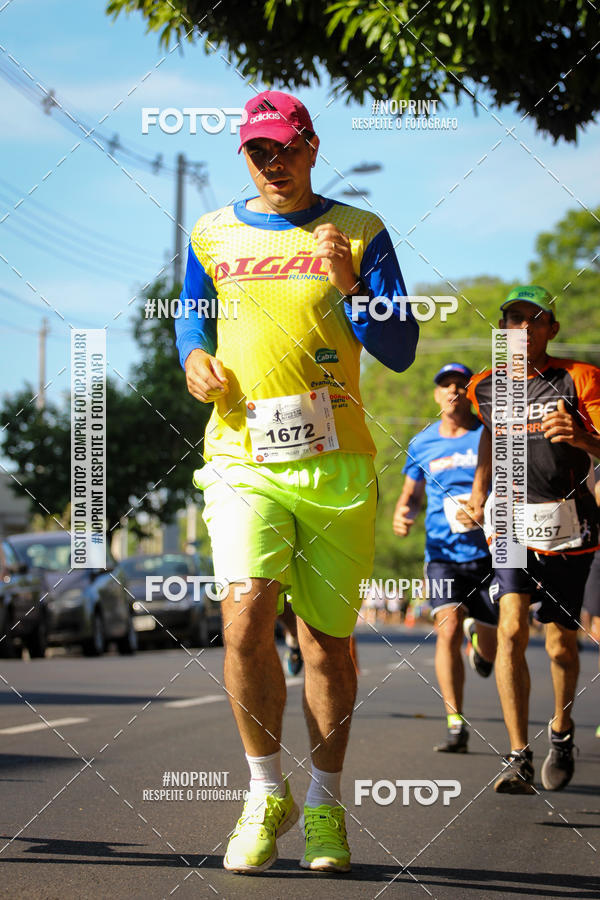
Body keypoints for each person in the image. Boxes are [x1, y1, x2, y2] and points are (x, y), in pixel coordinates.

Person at [175, 90, 419, 874]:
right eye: (258, 152)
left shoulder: (360, 231)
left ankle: (323, 804)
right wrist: (192, 360)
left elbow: (404, 345)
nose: (273, 163)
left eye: (285, 148)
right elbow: (192, 315)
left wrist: (353, 287)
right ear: (244, 156)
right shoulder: (211, 232)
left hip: (338, 460)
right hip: (243, 454)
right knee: (244, 617)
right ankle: (261, 792)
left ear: (312, 146)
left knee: (327, 643)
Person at [459, 285, 600, 793]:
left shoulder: (580, 378)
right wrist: (479, 491)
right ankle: (518, 754)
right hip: (511, 521)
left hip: (568, 525)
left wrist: (582, 437)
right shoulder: (484, 385)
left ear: (550, 329)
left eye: (529, 320)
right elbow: (488, 435)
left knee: (561, 643)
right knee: (513, 627)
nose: (517, 329)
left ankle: (561, 730)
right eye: (509, 320)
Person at [393, 363, 497, 753]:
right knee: (447, 629)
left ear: (469, 393)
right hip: (442, 554)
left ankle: (481, 638)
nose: (452, 390)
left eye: (460, 384)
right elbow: (412, 494)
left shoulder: (488, 434)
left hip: (489, 552)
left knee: (492, 645)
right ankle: (455, 722)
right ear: (436, 394)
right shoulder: (422, 443)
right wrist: (403, 513)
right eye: (445, 385)